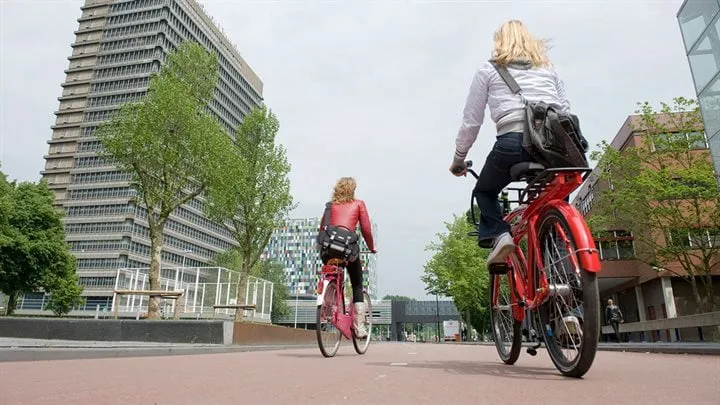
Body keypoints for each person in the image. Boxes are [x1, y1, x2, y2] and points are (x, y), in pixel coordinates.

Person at [449, 20, 572, 266]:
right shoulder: (549, 70)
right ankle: (561, 255)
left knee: (484, 191)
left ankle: (501, 234)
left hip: (514, 143)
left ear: (499, 42)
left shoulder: (488, 70)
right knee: (556, 193)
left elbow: (472, 121)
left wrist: (459, 158)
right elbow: (566, 111)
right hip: (558, 146)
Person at [318, 177, 376, 338]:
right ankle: (359, 328)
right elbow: (366, 230)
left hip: (328, 249)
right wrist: (372, 247)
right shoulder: (358, 204)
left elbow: (322, 228)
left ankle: (331, 299)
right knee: (357, 284)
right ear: (353, 190)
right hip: (347, 251)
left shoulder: (330, 206)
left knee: (334, 274)